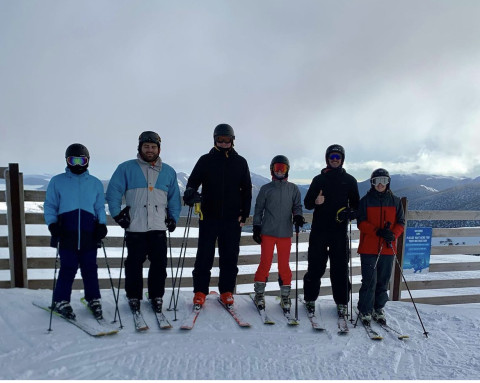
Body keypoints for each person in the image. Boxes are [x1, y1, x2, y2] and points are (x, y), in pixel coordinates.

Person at [106, 131, 181, 314]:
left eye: (153, 147)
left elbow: (174, 199)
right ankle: (134, 297)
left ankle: (157, 296)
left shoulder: (169, 171)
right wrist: (117, 215)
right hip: (135, 227)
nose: (149, 150)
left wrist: (173, 217)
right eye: (146, 146)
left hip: (158, 227)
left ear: (159, 149)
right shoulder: (126, 168)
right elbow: (113, 192)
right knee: (133, 265)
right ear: (140, 148)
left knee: (159, 265)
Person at [183, 123, 252, 307]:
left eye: (226, 140)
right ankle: (200, 291)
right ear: (215, 140)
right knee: (204, 256)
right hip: (209, 217)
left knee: (230, 256)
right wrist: (190, 193)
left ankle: (227, 290)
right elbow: (192, 183)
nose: (223, 143)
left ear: (232, 141)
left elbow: (246, 191)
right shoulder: (205, 160)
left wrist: (244, 215)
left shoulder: (240, 162)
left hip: (232, 218)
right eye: (220, 140)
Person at [44, 143, 108, 320]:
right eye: (73, 160)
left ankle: (93, 298)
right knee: (68, 267)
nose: (78, 164)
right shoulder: (58, 181)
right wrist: (52, 224)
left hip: (89, 232)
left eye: (82, 160)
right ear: (67, 161)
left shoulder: (94, 183)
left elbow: (99, 207)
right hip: (66, 232)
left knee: (90, 267)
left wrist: (102, 224)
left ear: (88, 161)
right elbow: (50, 205)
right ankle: (60, 300)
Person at [302, 144, 360, 318]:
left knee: (340, 268)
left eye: (338, 157)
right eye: (332, 157)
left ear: (342, 160)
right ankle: (310, 299)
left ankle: (342, 302)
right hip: (319, 231)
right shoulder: (318, 179)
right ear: (327, 159)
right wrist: (316, 201)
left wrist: (350, 213)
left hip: (339, 232)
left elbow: (357, 206)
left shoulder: (350, 180)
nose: (335, 160)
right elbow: (307, 203)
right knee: (316, 266)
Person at [252, 155, 304, 311]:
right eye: (277, 168)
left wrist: (298, 216)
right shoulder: (266, 189)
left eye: (283, 168)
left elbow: (297, 206)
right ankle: (259, 294)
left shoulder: (293, 189)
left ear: (287, 170)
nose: (280, 171)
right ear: (272, 170)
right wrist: (256, 226)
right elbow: (258, 209)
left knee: (284, 266)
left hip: (285, 234)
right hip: (268, 232)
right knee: (265, 263)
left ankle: (285, 295)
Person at [356, 168, 405, 325]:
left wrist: (393, 234)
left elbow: (401, 223)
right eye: (377, 181)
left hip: (387, 248)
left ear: (388, 182)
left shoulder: (395, 201)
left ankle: (378, 308)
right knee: (369, 281)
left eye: (383, 181)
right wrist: (377, 232)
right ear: (372, 183)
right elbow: (361, 223)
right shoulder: (365, 201)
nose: (380, 184)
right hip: (369, 248)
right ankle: (365, 310)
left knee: (383, 281)